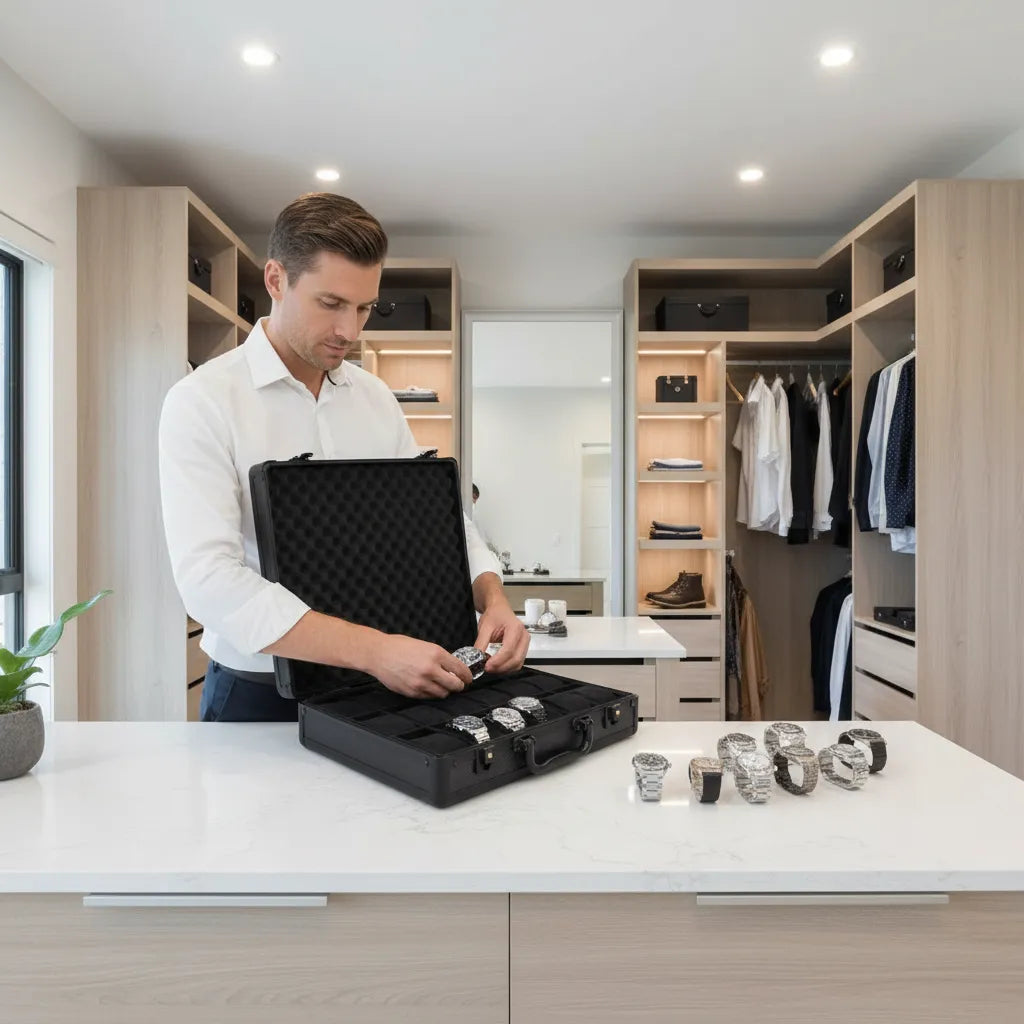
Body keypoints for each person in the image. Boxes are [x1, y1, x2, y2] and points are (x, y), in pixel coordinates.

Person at [158, 193, 530, 722]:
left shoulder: (375, 397)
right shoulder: (202, 401)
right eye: (331, 304)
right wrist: (375, 650)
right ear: (275, 280)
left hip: (383, 686)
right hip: (261, 695)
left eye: (364, 308)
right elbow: (208, 582)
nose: (350, 332)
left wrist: (491, 598)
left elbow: (434, 522)